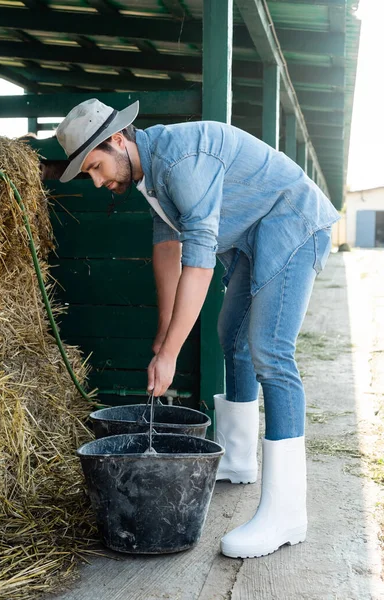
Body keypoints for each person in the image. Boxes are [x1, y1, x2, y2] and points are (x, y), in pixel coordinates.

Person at [56, 98, 339, 559]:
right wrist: (165, 331)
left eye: (95, 166)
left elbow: (199, 264)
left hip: (293, 220)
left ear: (116, 139)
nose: (98, 181)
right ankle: (239, 457)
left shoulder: (183, 160)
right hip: (256, 233)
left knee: (270, 350)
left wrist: (170, 355)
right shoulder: (147, 173)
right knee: (233, 337)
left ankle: (287, 513)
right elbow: (168, 247)